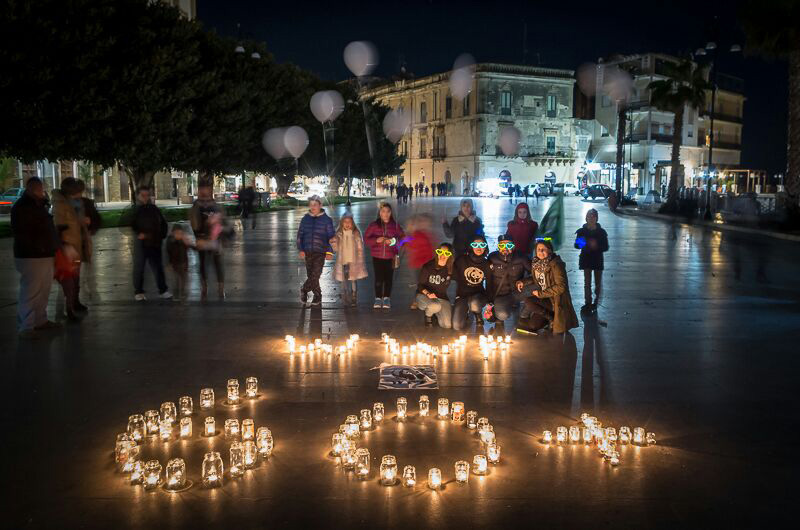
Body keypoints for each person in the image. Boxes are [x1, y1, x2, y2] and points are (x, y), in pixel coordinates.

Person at [11, 177, 60, 337]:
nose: (43, 191)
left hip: (43, 253)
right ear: (32, 189)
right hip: (31, 255)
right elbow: (25, 232)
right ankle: (26, 325)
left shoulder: (38, 205)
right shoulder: (24, 207)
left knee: (43, 289)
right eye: (40, 189)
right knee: (31, 290)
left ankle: (40, 319)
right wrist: (40, 245)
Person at [516, 239, 579, 335]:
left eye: (543, 249)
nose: (540, 252)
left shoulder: (556, 265)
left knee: (528, 300)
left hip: (555, 301)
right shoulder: (537, 263)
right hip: (545, 299)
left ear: (550, 250)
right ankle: (550, 317)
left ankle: (552, 317)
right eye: (538, 249)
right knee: (533, 326)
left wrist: (541, 293)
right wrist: (523, 282)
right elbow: (536, 278)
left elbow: (561, 286)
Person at [51, 177, 91, 319]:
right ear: (70, 192)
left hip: (78, 243)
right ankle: (69, 308)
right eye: (77, 192)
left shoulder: (77, 203)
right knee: (69, 279)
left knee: (76, 277)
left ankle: (75, 302)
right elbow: (59, 225)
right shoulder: (60, 204)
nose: (80, 195)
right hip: (68, 245)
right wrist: (63, 245)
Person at [131, 186, 172, 301]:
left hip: (155, 242)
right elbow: (131, 223)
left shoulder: (154, 208)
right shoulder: (135, 209)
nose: (145, 198)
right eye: (142, 195)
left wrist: (162, 235)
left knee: (158, 266)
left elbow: (162, 222)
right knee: (139, 267)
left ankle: (163, 290)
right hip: (142, 243)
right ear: (137, 196)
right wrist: (139, 233)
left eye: (147, 195)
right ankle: (138, 291)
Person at [484, 234, 530, 334]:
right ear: (498, 247)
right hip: (501, 294)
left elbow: (535, 274)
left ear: (513, 246)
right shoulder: (492, 258)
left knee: (538, 287)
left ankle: (525, 315)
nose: (505, 248)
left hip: (518, 292)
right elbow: (488, 281)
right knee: (502, 315)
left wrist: (524, 281)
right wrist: (489, 301)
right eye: (502, 246)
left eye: (508, 246)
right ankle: (502, 310)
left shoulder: (521, 257)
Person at [296, 195, 335, 307]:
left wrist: (329, 251)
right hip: (307, 251)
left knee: (315, 274)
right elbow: (300, 236)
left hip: (320, 251)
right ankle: (317, 294)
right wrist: (301, 249)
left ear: (320, 205)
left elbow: (331, 237)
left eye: (315, 205)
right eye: (311, 205)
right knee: (311, 274)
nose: (313, 207)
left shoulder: (327, 220)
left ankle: (304, 289)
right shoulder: (305, 219)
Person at [364, 202, 404, 310]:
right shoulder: (374, 225)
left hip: (390, 257)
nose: (385, 214)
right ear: (379, 213)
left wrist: (393, 241)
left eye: (388, 212)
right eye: (383, 211)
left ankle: (386, 297)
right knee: (378, 278)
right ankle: (378, 298)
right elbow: (366, 239)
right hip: (377, 257)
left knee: (388, 279)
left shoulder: (395, 226)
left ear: (391, 213)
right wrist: (376, 240)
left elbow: (403, 239)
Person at [190, 184, 225, 300]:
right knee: (203, 263)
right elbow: (194, 222)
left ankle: (221, 287)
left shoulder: (215, 205)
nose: (204, 192)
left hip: (215, 239)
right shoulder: (196, 205)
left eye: (206, 190)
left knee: (217, 263)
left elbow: (223, 221)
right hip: (202, 238)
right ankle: (204, 286)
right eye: (202, 190)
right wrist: (199, 235)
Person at [452, 235, 491, 332]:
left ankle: (477, 314)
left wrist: (490, 304)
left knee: (474, 303)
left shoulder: (486, 263)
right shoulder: (461, 260)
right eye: (475, 244)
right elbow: (452, 275)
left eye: (482, 244)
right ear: (471, 246)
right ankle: (465, 310)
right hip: (462, 295)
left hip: (478, 295)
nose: (479, 247)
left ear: (485, 247)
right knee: (457, 326)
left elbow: (490, 284)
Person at [574, 208, 609, 312]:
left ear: (596, 218)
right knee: (587, 283)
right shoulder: (581, 231)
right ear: (586, 218)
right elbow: (577, 245)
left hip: (597, 260)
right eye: (589, 216)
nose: (591, 218)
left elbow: (605, 247)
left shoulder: (602, 232)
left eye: (593, 216)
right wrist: (583, 243)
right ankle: (587, 303)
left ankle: (596, 302)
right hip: (586, 259)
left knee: (598, 283)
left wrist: (596, 245)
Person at [331, 212, 367, 307]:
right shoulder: (339, 234)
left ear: (353, 223)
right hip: (343, 261)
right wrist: (334, 242)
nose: (347, 224)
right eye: (345, 222)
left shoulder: (356, 234)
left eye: (349, 222)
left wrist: (360, 258)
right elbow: (336, 248)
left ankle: (354, 295)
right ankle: (345, 294)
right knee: (343, 279)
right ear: (342, 223)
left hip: (353, 261)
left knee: (353, 279)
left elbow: (360, 248)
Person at [416, 243, 454, 328]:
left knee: (447, 325)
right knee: (435, 305)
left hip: (441, 297)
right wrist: (428, 293)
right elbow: (420, 285)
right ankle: (428, 315)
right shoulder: (428, 266)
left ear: (450, 255)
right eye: (440, 252)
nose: (443, 255)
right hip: (425, 296)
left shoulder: (451, 268)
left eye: (446, 253)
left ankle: (435, 313)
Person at [403, 213, 435, 310]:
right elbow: (404, 244)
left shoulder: (424, 235)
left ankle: (420, 300)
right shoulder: (413, 235)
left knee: (423, 283)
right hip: (415, 264)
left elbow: (431, 249)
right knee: (418, 283)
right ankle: (417, 300)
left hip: (424, 264)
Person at [166, 224, 191, 301]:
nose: (179, 235)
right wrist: (168, 264)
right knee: (175, 280)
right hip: (174, 263)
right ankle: (176, 295)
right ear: (173, 233)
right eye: (176, 233)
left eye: (180, 233)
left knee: (184, 279)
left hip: (184, 263)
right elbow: (168, 249)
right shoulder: (170, 239)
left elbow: (188, 248)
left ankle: (183, 293)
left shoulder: (183, 239)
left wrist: (186, 242)